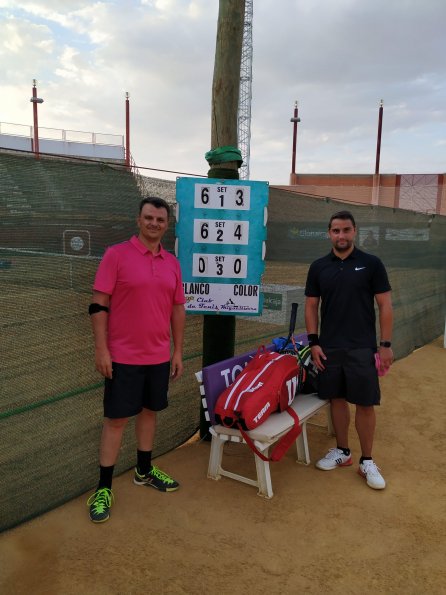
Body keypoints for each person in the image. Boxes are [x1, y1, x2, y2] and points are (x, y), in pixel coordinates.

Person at [87, 196, 186, 522]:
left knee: (149, 412)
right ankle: (103, 488)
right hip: (123, 357)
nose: (154, 223)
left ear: (166, 224)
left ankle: (144, 470)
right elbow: (99, 304)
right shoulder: (117, 255)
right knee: (116, 420)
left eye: (160, 219)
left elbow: (177, 308)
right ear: (138, 220)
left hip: (158, 356)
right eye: (149, 218)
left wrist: (177, 350)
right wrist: (102, 350)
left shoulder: (172, 261)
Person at [304, 210, 393, 490]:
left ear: (354, 231)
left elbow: (385, 306)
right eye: (335, 231)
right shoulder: (319, 267)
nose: (341, 235)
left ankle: (367, 460)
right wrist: (314, 342)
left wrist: (385, 345)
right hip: (329, 348)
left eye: (346, 230)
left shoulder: (371, 264)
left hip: (363, 349)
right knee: (338, 401)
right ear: (329, 233)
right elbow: (310, 306)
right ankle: (342, 452)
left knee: (365, 404)